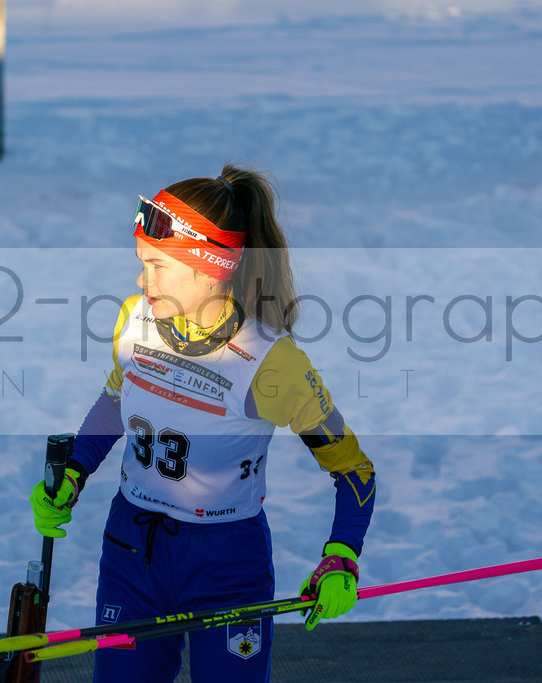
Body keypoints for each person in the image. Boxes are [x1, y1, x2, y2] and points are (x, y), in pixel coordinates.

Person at [30, 164, 376, 682]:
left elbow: (354, 470)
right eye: (141, 263)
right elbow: (115, 399)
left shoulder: (270, 362)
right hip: (131, 552)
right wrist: (74, 472)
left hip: (225, 564)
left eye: (157, 266)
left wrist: (341, 556)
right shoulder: (135, 318)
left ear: (211, 266)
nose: (141, 280)